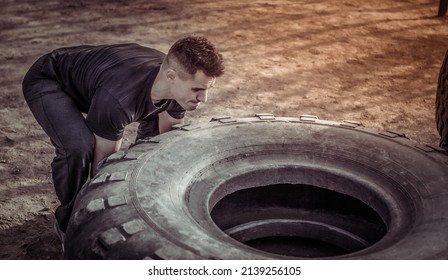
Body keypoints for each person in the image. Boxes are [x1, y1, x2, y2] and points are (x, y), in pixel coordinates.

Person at [22, 36, 225, 250]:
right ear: (171, 76)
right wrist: (105, 219)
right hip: (50, 79)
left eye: (207, 89)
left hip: (103, 84)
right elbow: (101, 173)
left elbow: (168, 142)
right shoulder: (120, 99)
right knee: (79, 147)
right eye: (196, 90)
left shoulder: (175, 89)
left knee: (156, 140)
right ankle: (68, 224)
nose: (203, 99)